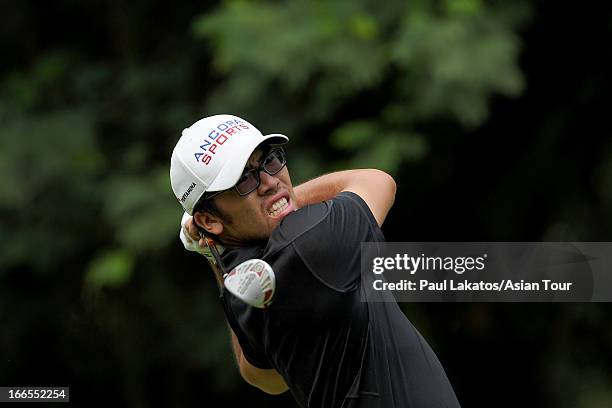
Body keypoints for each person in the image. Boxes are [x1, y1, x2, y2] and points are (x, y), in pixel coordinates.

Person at [170, 114, 461, 408]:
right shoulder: (310, 241)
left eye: (270, 161)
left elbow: (263, 378)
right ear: (208, 218)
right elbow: (377, 181)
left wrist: (212, 252)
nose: (271, 181)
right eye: (244, 180)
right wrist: (288, 197)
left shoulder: (244, 282)